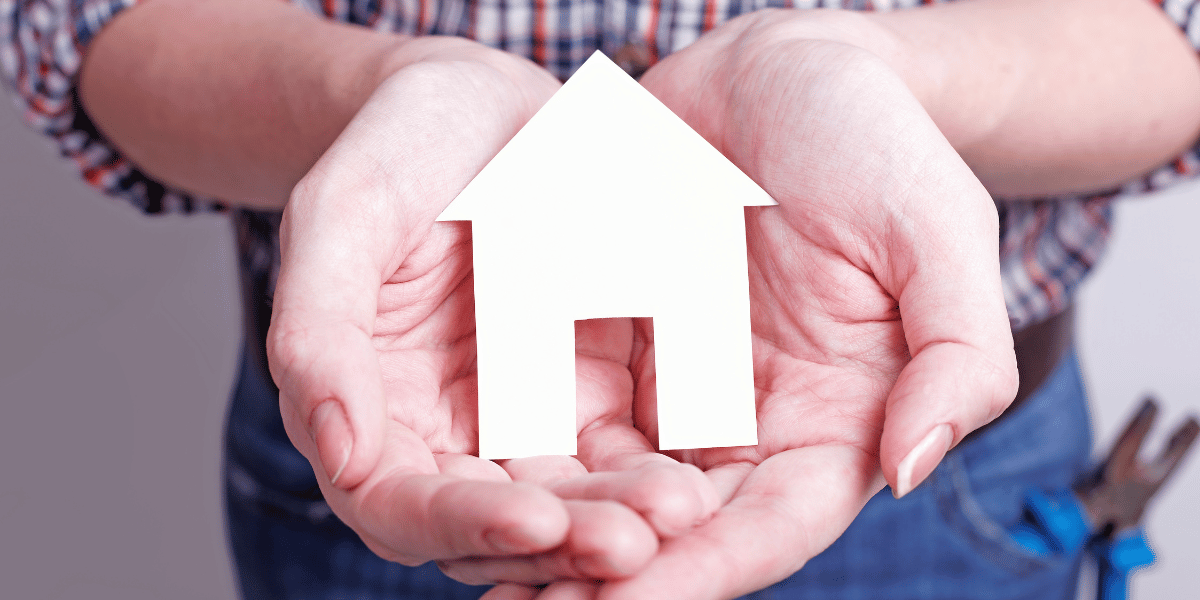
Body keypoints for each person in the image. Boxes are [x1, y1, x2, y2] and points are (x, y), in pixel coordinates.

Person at [4, 0, 1198, 598]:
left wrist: (877, 73)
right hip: (394, 426)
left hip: (929, 468)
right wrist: (375, 87)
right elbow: (90, 21)